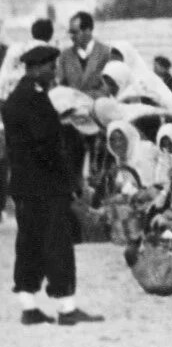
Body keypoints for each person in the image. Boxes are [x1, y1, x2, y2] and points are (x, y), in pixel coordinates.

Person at [4, 46, 103, 325]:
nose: (54, 72)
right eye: (50, 67)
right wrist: (68, 180)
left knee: (29, 244)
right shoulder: (35, 100)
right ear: (36, 68)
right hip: (45, 186)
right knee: (57, 243)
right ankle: (66, 308)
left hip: (24, 186)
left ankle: (29, 306)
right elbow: (47, 147)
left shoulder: (16, 99)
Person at [57, 13, 114, 100]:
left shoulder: (106, 53)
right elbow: (60, 85)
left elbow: (112, 87)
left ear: (88, 31)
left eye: (75, 32)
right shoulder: (65, 55)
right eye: (70, 32)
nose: (71, 36)